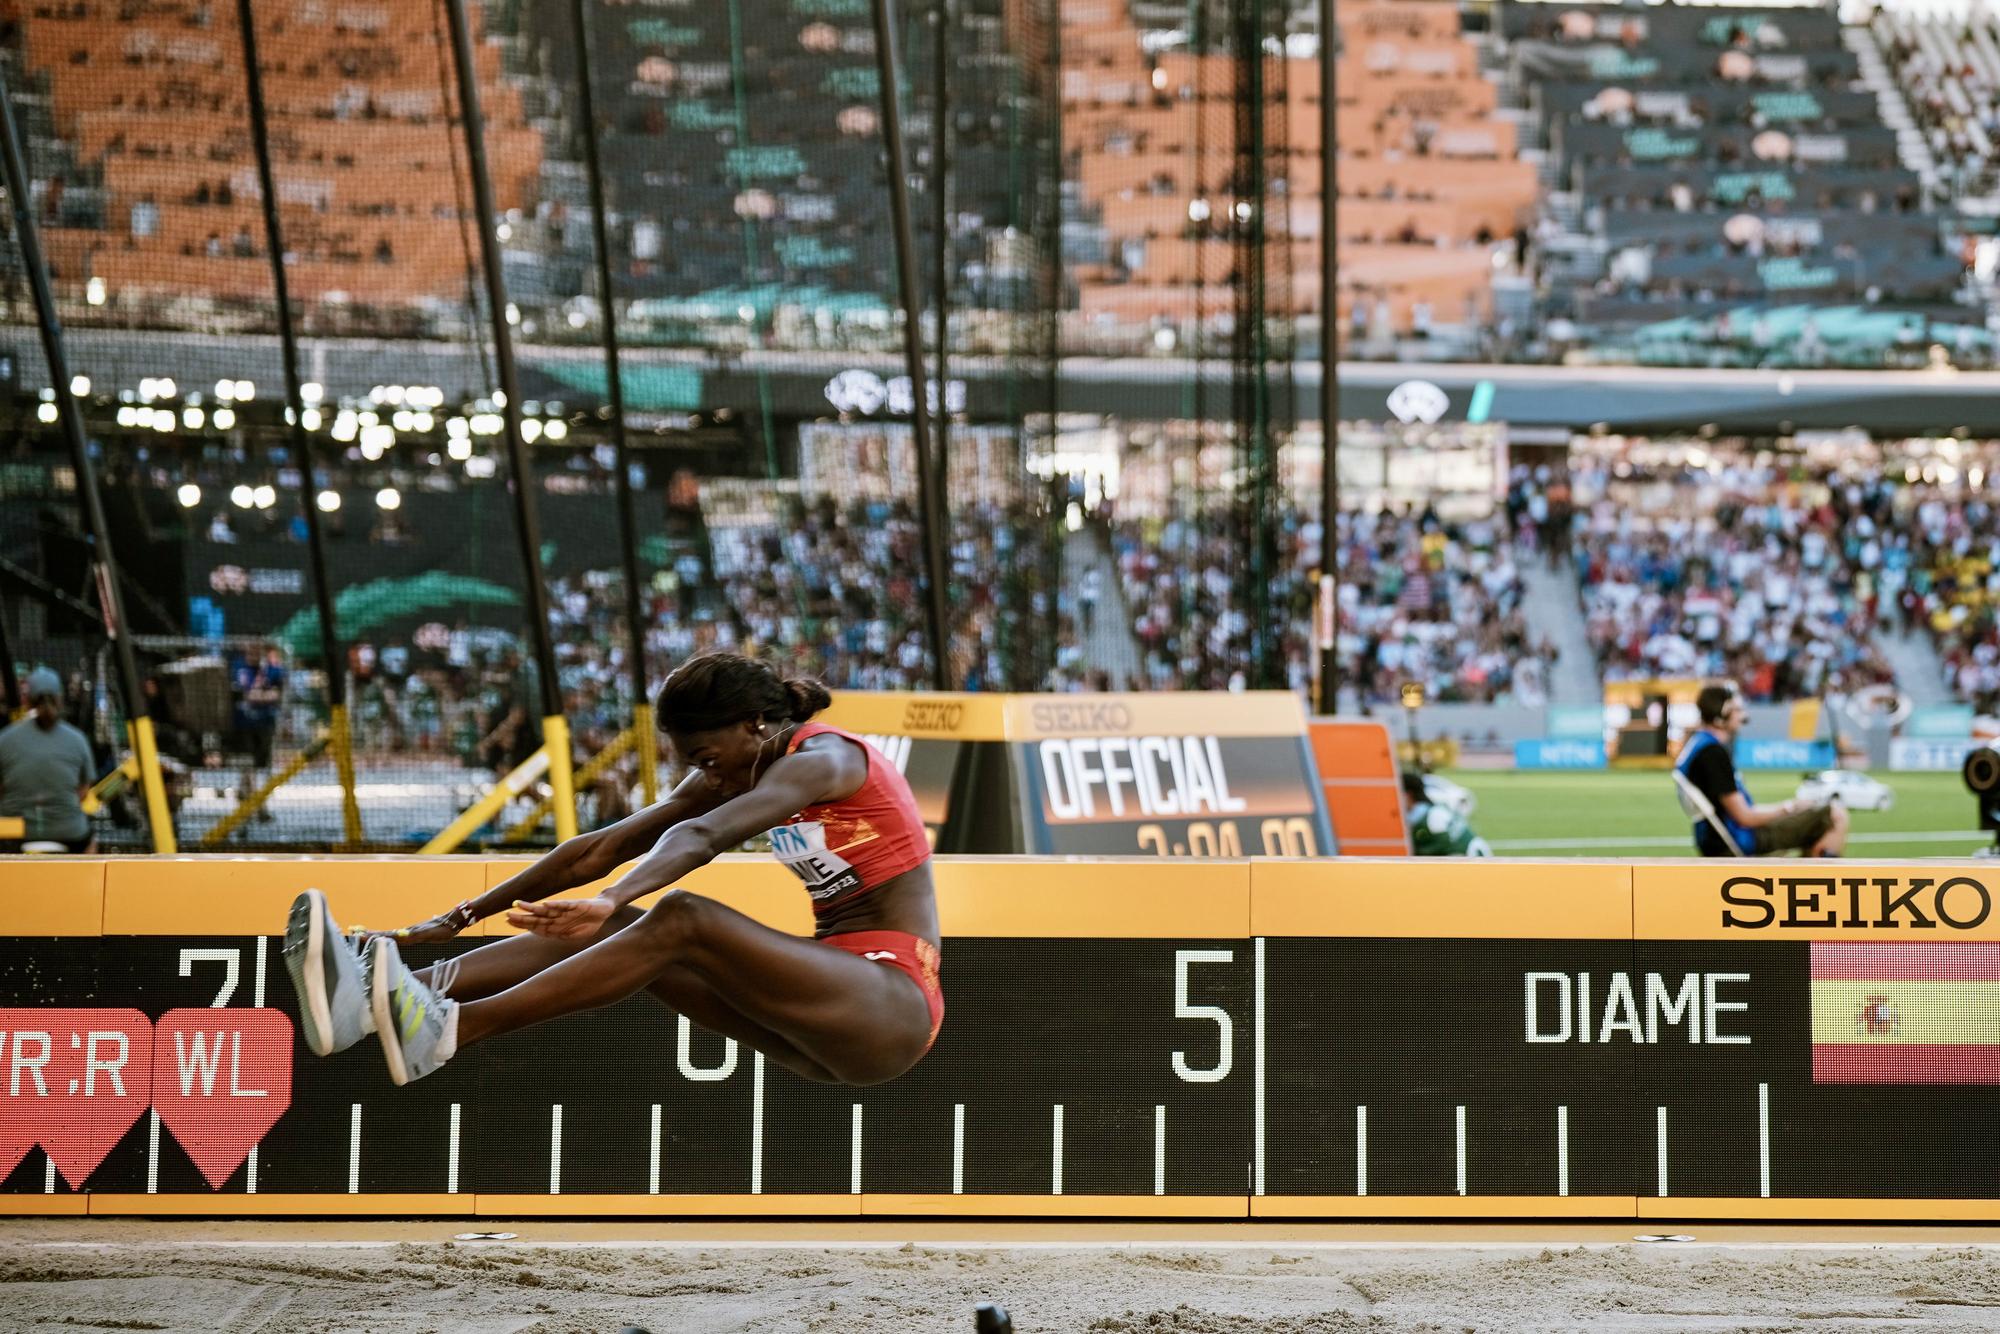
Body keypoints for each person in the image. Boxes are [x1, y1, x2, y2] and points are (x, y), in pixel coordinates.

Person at [282, 653, 943, 1088]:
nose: (703, 773)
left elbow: (703, 835)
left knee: (682, 915)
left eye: (706, 757)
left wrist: (613, 896)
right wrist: (461, 915)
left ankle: (452, 1028)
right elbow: (598, 848)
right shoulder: (741, 761)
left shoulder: (826, 761)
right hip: (821, 1019)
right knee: (629, 929)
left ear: (756, 725)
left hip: (889, 1005)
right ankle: (387, 993)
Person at [1677, 683, 1847, 857]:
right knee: (1834, 815)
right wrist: (1789, 807)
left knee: (1812, 814)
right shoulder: (1712, 754)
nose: (1742, 715)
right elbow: (1745, 817)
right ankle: (1816, 881)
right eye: (1737, 710)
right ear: (1721, 715)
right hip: (1737, 840)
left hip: (1720, 836)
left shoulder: (1699, 745)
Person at [0, 668, 97, 853]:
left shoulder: (5, 738)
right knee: (90, 843)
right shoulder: (77, 738)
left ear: (26, 700)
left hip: (14, 835)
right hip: (69, 833)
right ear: (59, 698)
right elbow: (84, 791)